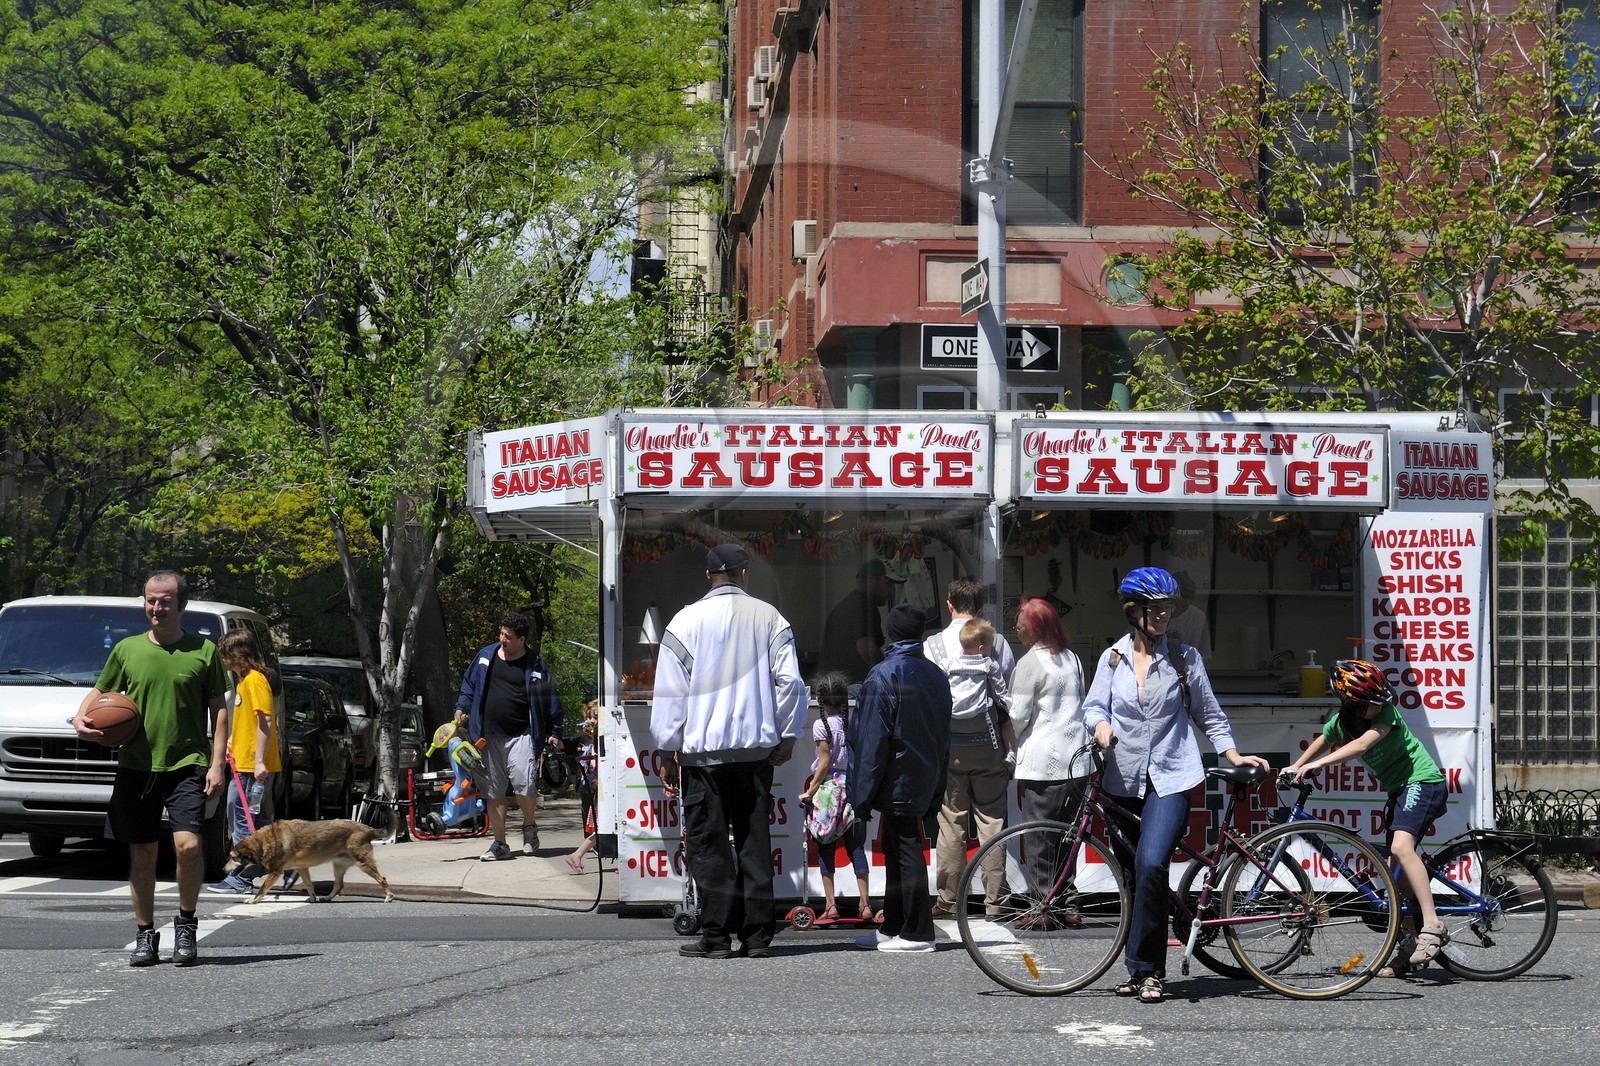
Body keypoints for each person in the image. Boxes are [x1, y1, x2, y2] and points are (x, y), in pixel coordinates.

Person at [1082, 566, 1269, 1003]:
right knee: (1131, 878)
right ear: (1134, 611)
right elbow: (1092, 707)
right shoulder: (1112, 658)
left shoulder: (1185, 658)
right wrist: (1101, 726)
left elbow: (1208, 712)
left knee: (1151, 865)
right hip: (1121, 776)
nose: (1165, 614)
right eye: (1156, 608)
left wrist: (1232, 753)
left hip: (1172, 776)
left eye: (1169, 607)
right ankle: (1137, 968)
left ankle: (1152, 972)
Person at [651, 543, 807, 960]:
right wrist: (788, 735)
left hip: (703, 760)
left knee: (709, 846)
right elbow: (790, 683)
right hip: (755, 757)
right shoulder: (770, 618)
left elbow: (670, 693)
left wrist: (667, 750)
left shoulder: (684, 621)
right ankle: (757, 937)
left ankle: (716, 937)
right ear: (745, 575)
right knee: (756, 842)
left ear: (708, 577)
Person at [73, 570, 230, 968]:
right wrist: (79, 718)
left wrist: (217, 764)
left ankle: (186, 925)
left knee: (189, 846)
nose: (156, 608)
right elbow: (101, 691)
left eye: (164, 601)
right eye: (150, 600)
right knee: (142, 853)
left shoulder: (204, 652)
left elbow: (220, 710)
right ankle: (145, 934)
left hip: (187, 763)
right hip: (137, 764)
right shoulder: (127, 650)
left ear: (182, 606)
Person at [1283, 658, 1449, 977]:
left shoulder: (1386, 713)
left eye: (1380, 700)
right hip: (1400, 791)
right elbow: (1324, 739)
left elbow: (1361, 745)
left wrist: (1316, 766)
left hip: (1422, 782)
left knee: (1402, 849)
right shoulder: (1344, 721)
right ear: (1353, 705)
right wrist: (1296, 765)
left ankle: (1433, 924)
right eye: (1371, 704)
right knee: (1393, 879)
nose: (1380, 706)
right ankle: (1410, 947)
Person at [848, 603, 953, 952]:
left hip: (897, 774)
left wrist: (859, 798)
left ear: (891, 633)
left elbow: (871, 742)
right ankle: (893, 925)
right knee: (897, 847)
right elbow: (943, 734)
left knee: (905, 850)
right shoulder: (936, 675)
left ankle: (919, 931)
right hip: (923, 772)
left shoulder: (884, 673)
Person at [924, 577, 1015, 919]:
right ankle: (996, 903)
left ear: (949, 604)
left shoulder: (932, 645)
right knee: (992, 821)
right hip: (989, 742)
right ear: (981, 608)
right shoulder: (997, 641)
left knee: (951, 824)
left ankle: (948, 902)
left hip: (949, 745)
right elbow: (1008, 692)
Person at [453, 611, 561, 861]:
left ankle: (529, 827)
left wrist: (555, 731)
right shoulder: (485, 656)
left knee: (525, 784)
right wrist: (462, 708)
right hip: (486, 737)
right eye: (501, 633)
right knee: (493, 791)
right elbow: (468, 687)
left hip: (522, 735)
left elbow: (550, 699)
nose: (502, 639)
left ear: (521, 639)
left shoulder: (534, 664)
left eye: (508, 636)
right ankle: (499, 844)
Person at [1008, 597, 1089, 903]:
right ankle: (1067, 898)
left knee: (1040, 836)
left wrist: (1008, 742)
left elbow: (1016, 716)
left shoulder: (1029, 663)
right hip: (1078, 762)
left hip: (1044, 763)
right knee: (1069, 835)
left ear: (1034, 628)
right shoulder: (1072, 658)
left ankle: (1044, 902)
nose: (1017, 631)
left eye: (1020, 625)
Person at [207, 629, 283, 895]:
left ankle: (242, 877)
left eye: (227, 655)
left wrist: (260, 761)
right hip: (245, 762)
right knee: (255, 820)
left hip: (253, 766)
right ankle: (279, 864)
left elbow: (266, 722)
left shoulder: (254, 681)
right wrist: (232, 742)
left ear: (239, 655)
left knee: (243, 819)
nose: (224, 660)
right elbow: (249, 722)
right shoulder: (244, 681)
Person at [799, 672, 872, 923]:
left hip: (829, 790)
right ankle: (865, 904)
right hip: (851, 787)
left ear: (818, 698)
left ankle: (831, 905)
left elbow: (825, 761)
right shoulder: (851, 721)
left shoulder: (822, 725)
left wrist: (810, 792)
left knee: (825, 846)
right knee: (856, 847)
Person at [819, 558, 905, 684]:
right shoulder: (863, 605)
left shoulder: (849, 604)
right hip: (850, 689)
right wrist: (889, 676)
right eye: (889, 583)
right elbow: (866, 648)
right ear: (871, 580)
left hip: (836, 686)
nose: (892, 590)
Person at [949, 618, 1017, 766]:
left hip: (954, 713)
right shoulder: (988, 664)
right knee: (1007, 722)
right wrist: (1007, 705)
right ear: (981, 649)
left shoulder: (950, 663)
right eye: (989, 646)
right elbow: (1000, 689)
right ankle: (1011, 754)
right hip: (982, 713)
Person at [565, 699, 601, 874]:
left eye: (593, 717)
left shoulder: (598, 734)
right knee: (608, 826)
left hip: (598, 785)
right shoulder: (597, 736)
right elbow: (596, 763)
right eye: (589, 717)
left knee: (609, 827)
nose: (590, 721)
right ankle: (577, 854)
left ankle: (578, 854)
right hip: (599, 786)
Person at [1165, 571, 1212, 661]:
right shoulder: (1157, 614)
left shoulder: (1198, 617)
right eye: (1175, 606)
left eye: (1184, 607)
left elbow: (1203, 654)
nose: (1178, 610)